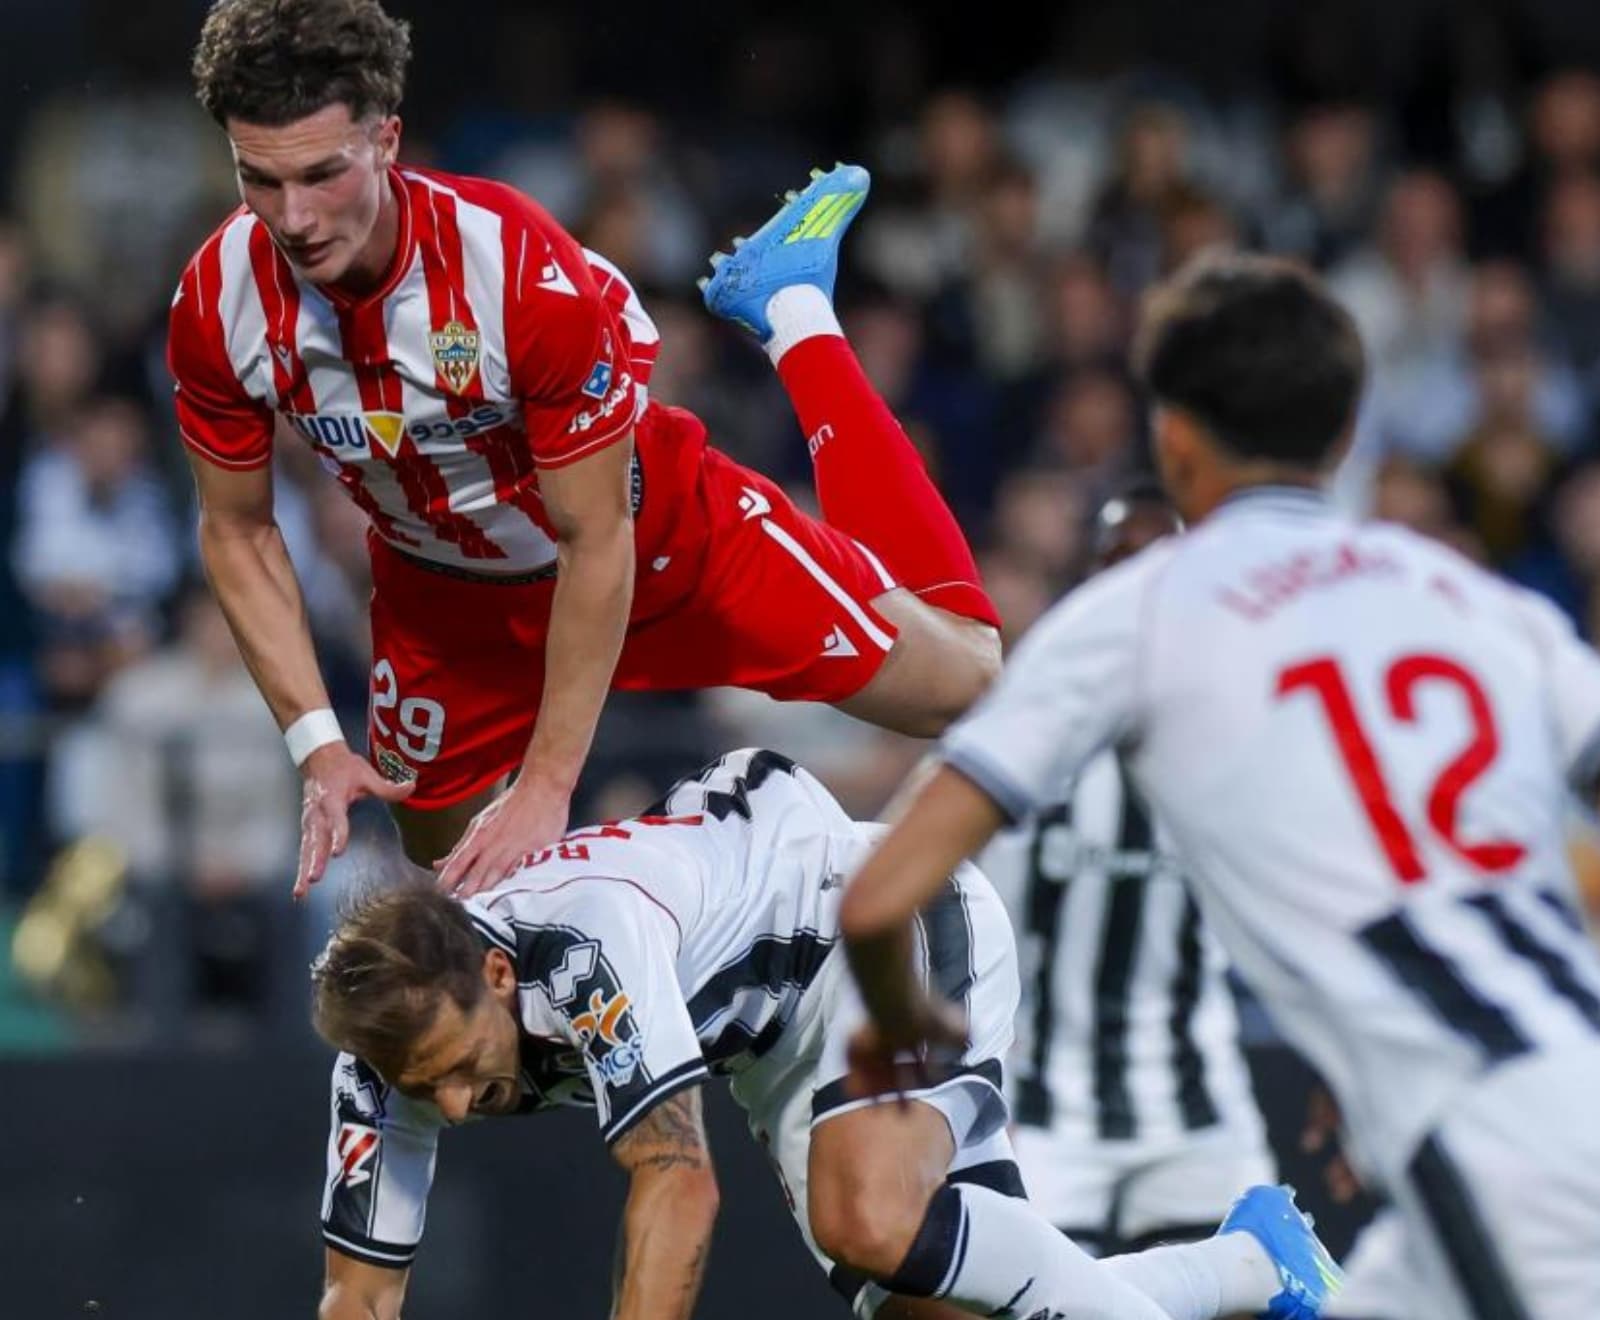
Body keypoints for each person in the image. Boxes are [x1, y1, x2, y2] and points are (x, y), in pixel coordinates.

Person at [839, 252, 1600, 1320]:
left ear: (1173, 438)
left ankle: (1251, 1263)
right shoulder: (1471, 599)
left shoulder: (1144, 611)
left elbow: (883, 892)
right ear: (1348, 436)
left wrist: (899, 1021)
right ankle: (1259, 1265)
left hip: (1492, 1140)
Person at [169, 0, 1000, 900]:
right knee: (440, 854)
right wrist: (317, 743)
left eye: (322, 174)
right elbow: (238, 530)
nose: (293, 219)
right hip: (444, 601)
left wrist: (548, 784)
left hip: (658, 541)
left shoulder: (515, 273)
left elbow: (594, 538)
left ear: (387, 141)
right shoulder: (218, 303)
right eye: (262, 180)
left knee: (964, 686)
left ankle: (792, 310)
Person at [309, 748, 1338, 1320]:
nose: (449, 1105)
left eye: (456, 1068)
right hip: (777, 1048)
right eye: (420, 1087)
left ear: (498, 972)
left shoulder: (584, 940)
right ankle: (1255, 1263)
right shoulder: (382, 1064)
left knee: (865, 1214)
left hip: (880, 923)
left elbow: (676, 1180)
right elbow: (357, 1297)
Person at [977, 481, 1277, 1254]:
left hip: (1200, 1111)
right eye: (1124, 574)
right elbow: (979, 930)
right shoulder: (1035, 740)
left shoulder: (1244, 745)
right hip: (1049, 1110)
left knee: (1270, 1293)